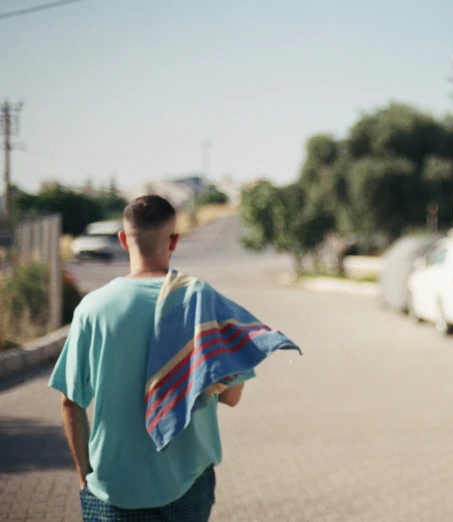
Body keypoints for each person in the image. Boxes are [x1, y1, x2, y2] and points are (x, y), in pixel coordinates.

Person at [49, 195, 297, 521]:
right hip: (189, 481)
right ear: (175, 241)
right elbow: (232, 395)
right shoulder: (202, 301)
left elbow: (71, 401)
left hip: (114, 487)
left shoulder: (92, 309)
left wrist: (84, 475)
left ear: (123, 240)